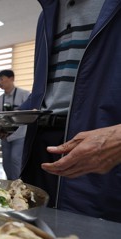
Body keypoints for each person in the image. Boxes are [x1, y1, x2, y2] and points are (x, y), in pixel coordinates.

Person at [18, 0, 121, 222]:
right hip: (40, 145)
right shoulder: (46, 13)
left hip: (104, 151)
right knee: (35, 237)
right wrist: (14, 117)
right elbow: (46, 90)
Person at [0, 69, 30, 180]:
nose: (0, 82)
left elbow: (30, 114)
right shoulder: (0, 98)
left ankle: (18, 184)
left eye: (2, 79)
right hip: (5, 135)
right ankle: (10, 182)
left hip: (20, 134)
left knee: (16, 159)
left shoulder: (24, 94)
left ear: (12, 79)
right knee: (6, 162)